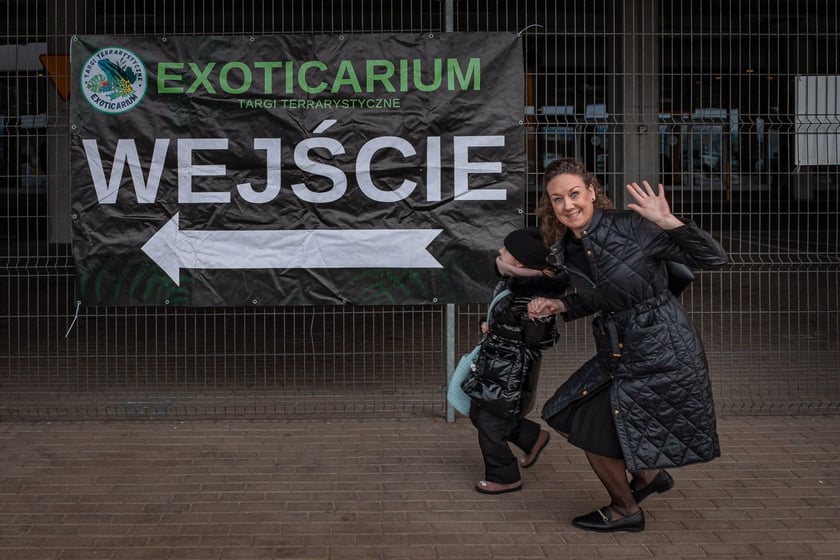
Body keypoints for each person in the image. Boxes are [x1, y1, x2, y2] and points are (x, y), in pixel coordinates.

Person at [527, 158, 728, 532]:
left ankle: (625, 509)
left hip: (661, 347)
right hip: (618, 349)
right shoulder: (569, 247)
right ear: (550, 205)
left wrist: (668, 222)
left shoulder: (631, 226)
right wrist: (560, 305)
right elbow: (605, 295)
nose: (568, 205)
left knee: (588, 426)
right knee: (562, 412)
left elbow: (714, 258)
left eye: (574, 194)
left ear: (591, 191)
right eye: (557, 199)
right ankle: (649, 477)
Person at [461, 227, 565, 495]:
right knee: (478, 413)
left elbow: (542, 339)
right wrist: (489, 325)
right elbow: (504, 318)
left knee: (490, 425)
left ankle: (504, 476)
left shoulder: (533, 295)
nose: (500, 251)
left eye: (505, 249)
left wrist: (539, 319)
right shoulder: (510, 282)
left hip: (512, 371)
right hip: (496, 363)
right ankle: (531, 437)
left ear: (519, 261)